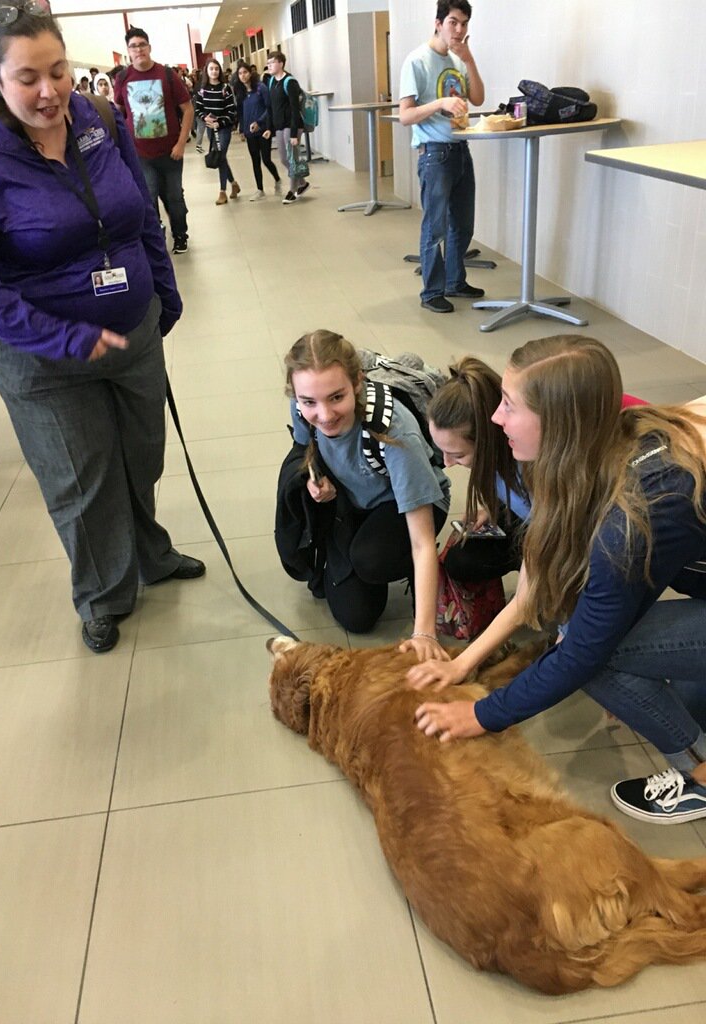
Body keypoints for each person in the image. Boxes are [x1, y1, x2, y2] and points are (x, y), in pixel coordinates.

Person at [0, 5, 205, 652]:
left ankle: (152, 555)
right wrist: (62, 337)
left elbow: (137, 209)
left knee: (142, 456)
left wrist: (163, 295)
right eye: (28, 78)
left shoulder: (94, 117)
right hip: (45, 358)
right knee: (83, 480)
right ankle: (103, 593)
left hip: (131, 330)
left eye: (57, 71)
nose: (49, 90)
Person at [410, 336, 706, 825]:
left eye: (509, 405)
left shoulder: (632, 518)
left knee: (599, 655)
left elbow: (581, 652)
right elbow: (544, 589)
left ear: (562, 423)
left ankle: (697, 779)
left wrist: (483, 714)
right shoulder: (621, 433)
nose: (496, 418)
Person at [278, 330, 450, 661]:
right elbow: (303, 447)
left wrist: (425, 631)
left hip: (406, 505)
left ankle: (424, 575)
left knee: (372, 559)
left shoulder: (394, 432)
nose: (325, 415)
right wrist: (315, 479)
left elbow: (421, 541)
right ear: (296, 394)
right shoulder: (300, 406)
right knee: (355, 618)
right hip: (350, 500)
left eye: (336, 397)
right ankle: (347, 549)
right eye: (309, 402)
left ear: (357, 382)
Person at [399, 1, 485, 313]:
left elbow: (477, 98)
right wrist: (439, 104)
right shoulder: (416, 61)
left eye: (464, 23)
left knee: (463, 224)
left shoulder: (459, 60)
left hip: (461, 149)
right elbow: (405, 116)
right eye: (453, 22)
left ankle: (454, 281)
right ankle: (432, 291)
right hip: (434, 153)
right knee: (434, 226)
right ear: (438, 23)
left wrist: (469, 59)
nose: (459, 30)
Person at [428, 357, 529, 582]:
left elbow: (555, 539)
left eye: (458, 455)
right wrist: (494, 509)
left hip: (560, 536)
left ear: (487, 440)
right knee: (461, 560)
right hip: (526, 519)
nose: (447, 463)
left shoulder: (530, 466)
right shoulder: (493, 455)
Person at [113, 26, 194, 255]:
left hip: (170, 152)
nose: (138, 50)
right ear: (128, 51)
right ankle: (156, 236)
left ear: (149, 47)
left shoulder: (167, 75)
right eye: (133, 46)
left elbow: (188, 110)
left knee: (174, 198)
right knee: (148, 198)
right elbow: (118, 113)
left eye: (142, 45)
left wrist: (181, 143)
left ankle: (180, 234)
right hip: (140, 154)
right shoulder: (123, 78)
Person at [263, 51, 309, 205]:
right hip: (279, 126)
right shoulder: (271, 81)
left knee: (291, 158)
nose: (269, 65)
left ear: (281, 63)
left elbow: (295, 109)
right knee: (284, 158)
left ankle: (292, 191)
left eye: (272, 62)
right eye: (268, 62)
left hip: (292, 125)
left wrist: (294, 134)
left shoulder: (290, 82)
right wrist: (269, 127)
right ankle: (302, 182)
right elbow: (271, 107)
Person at [195, 57, 240, 206]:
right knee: (221, 157)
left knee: (220, 157)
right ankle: (233, 183)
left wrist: (220, 122)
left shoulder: (225, 88)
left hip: (223, 129)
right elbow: (198, 109)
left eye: (216, 69)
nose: (214, 71)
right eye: (211, 69)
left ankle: (222, 191)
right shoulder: (202, 90)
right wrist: (205, 118)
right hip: (210, 129)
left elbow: (231, 110)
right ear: (206, 71)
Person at [234, 61, 280, 201]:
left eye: (245, 72)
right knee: (255, 161)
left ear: (250, 73)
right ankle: (260, 189)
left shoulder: (261, 88)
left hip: (263, 130)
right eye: (240, 73)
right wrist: (242, 129)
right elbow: (241, 112)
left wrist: (259, 122)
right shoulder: (240, 92)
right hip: (249, 132)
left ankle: (277, 179)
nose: (243, 76)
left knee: (266, 159)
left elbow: (269, 108)